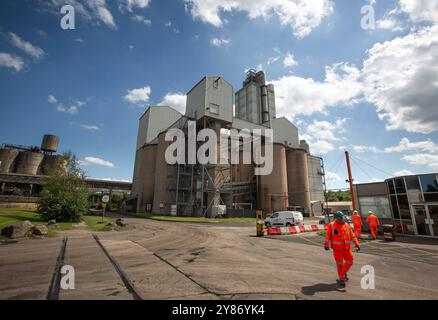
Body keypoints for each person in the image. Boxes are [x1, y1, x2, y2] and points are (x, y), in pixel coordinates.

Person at [324, 211, 360, 288]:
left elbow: (352, 236)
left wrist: (357, 244)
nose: (342, 220)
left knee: (350, 261)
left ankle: (343, 272)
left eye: (342, 219)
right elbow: (328, 236)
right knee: (340, 264)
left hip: (346, 249)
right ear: (336, 218)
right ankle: (342, 279)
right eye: (340, 219)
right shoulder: (332, 225)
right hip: (337, 250)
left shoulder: (347, 225)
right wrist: (326, 245)